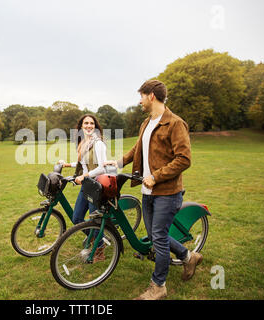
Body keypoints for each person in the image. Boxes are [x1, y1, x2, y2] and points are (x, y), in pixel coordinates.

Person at [104, 80, 202, 300]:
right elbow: (137, 148)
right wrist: (119, 162)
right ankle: (188, 256)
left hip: (167, 192)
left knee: (158, 236)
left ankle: (158, 287)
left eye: (141, 96)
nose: (139, 101)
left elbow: (184, 159)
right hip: (148, 192)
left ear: (151, 96)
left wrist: (156, 177)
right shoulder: (146, 123)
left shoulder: (175, 123)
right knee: (156, 235)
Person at [59, 114, 107, 263]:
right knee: (77, 218)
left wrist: (84, 176)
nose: (88, 126)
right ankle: (97, 238)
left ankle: (100, 251)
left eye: (91, 123)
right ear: (81, 126)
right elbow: (84, 163)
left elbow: (101, 168)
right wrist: (68, 164)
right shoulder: (84, 143)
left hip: (96, 186)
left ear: (95, 126)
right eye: (86, 123)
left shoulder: (98, 144)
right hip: (87, 185)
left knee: (94, 221)